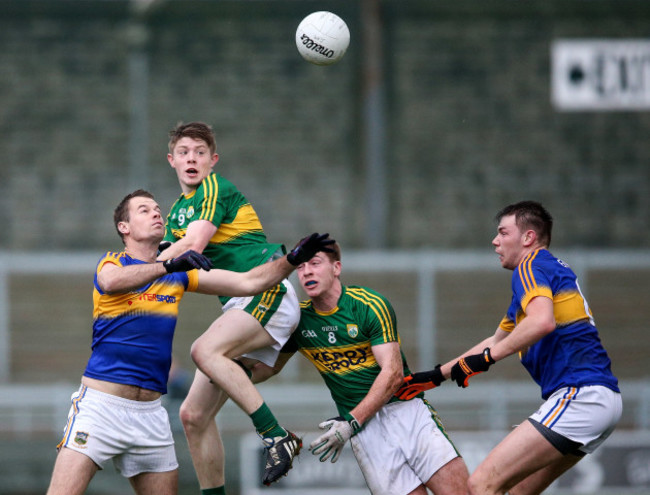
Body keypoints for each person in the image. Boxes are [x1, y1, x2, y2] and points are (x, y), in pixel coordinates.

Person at [46, 189, 333, 495]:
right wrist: (169, 265)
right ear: (124, 227)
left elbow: (248, 282)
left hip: (151, 416)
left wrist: (291, 260)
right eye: (144, 210)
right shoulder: (113, 263)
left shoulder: (180, 274)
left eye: (158, 209)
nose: (157, 213)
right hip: (102, 409)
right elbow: (111, 283)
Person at [396, 201, 622, 495]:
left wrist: (486, 360)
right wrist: (438, 375)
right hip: (600, 399)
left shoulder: (531, 265)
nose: (495, 240)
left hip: (581, 396)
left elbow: (542, 323)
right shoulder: (541, 277)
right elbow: (496, 341)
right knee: (514, 491)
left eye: (503, 232)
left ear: (527, 238)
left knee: (481, 484)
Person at [157, 121, 309, 491]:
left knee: (203, 350)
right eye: (184, 152)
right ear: (171, 161)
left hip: (265, 292)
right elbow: (162, 259)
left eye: (200, 152)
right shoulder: (177, 210)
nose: (192, 158)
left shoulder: (214, 188)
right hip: (239, 306)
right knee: (193, 416)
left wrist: (151, 265)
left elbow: (191, 246)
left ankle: (276, 436)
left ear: (213, 160)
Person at [252, 241, 470, 495]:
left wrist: (351, 422)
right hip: (366, 436)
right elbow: (267, 368)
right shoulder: (298, 320)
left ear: (337, 268)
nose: (306, 272)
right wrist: (225, 372)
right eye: (300, 267)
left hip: (407, 415)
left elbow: (393, 373)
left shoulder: (368, 304)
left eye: (315, 263)